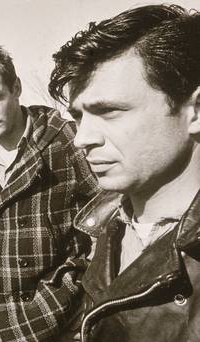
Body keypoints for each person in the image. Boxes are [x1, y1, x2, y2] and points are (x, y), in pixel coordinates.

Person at [49, 4, 200, 341]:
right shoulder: (102, 227)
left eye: (110, 111)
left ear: (195, 111)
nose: (82, 139)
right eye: (78, 117)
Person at [0, 44, 99, 342]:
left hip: (56, 316)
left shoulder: (65, 139)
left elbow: (111, 208)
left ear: (16, 88)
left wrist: (79, 278)